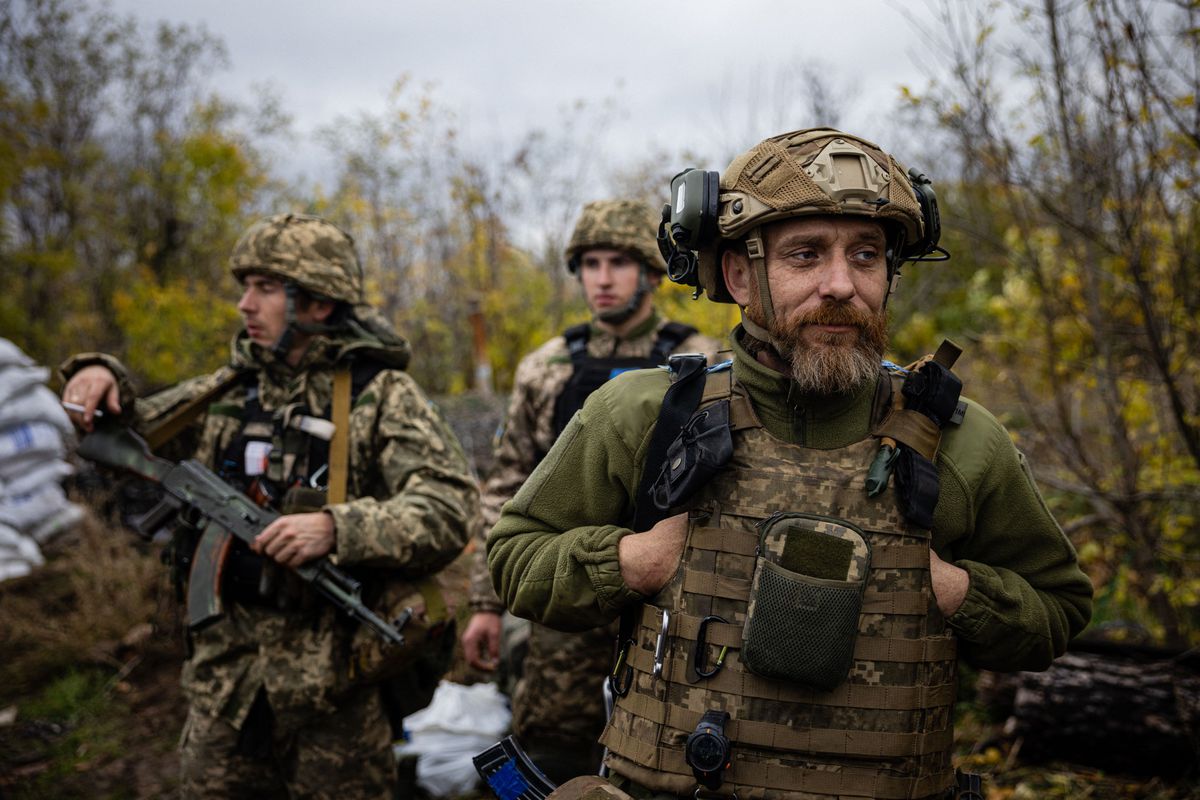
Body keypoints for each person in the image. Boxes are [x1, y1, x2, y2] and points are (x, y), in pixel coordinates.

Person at [487, 129, 1093, 799]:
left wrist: (955, 591)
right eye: (806, 255)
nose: (841, 284)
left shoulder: (961, 440)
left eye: (866, 255)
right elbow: (515, 557)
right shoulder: (646, 415)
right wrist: (632, 561)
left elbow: (1058, 610)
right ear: (740, 274)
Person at [60, 213, 479, 799]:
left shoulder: (380, 395)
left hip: (334, 690)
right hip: (225, 688)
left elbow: (450, 506)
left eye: (264, 288)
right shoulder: (229, 390)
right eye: (244, 286)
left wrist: (338, 528)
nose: (243, 305)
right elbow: (121, 432)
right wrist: (99, 373)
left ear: (317, 304)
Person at [460, 199, 719, 783]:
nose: (602, 279)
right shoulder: (546, 367)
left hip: (671, 602)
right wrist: (486, 604)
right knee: (548, 752)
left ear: (652, 273)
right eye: (590, 264)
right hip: (570, 595)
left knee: (670, 758)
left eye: (619, 263)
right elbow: (505, 490)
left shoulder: (704, 360)